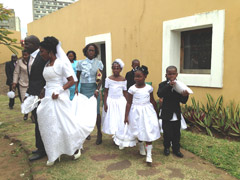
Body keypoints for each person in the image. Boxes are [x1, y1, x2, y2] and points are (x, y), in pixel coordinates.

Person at [37, 36, 97, 166]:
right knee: (50, 125)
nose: (40, 54)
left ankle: (75, 148)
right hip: (48, 97)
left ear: (50, 51)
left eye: (42, 51)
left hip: (59, 97)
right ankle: (53, 153)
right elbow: (48, 81)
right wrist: (44, 89)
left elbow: (72, 80)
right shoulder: (46, 64)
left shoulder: (61, 63)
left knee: (65, 124)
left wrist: (59, 90)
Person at [119, 65, 160, 164]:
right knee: (138, 130)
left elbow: (152, 100)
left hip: (147, 111)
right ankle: (141, 146)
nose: (136, 79)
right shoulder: (132, 89)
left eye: (139, 76)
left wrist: (157, 111)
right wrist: (126, 116)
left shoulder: (149, 88)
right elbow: (128, 103)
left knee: (148, 131)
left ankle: (149, 154)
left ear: (145, 76)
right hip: (136, 112)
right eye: (135, 76)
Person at [24, 35, 48, 161]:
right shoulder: (30, 58)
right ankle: (40, 146)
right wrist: (28, 94)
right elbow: (32, 79)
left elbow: (47, 75)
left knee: (41, 122)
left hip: (42, 95)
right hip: (33, 94)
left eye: (27, 43)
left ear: (35, 44)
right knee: (36, 121)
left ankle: (42, 149)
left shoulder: (42, 56)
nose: (25, 46)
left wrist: (43, 90)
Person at [157, 65, 189, 158]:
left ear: (176, 74)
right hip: (166, 112)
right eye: (169, 74)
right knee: (167, 133)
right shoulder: (162, 85)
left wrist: (185, 95)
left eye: (173, 74)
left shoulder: (180, 85)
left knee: (176, 133)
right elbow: (160, 93)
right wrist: (168, 85)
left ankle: (176, 149)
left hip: (176, 112)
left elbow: (183, 101)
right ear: (166, 75)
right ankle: (166, 148)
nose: (171, 76)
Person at [76, 43, 104, 145]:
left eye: (93, 50)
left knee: (96, 111)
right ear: (86, 51)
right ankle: (86, 132)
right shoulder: (80, 63)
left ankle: (99, 133)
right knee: (84, 112)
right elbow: (77, 77)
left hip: (94, 89)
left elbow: (100, 78)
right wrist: (76, 88)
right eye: (89, 50)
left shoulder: (99, 63)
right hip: (83, 88)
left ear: (95, 52)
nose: (91, 52)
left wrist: (97, 89)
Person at [102, 59, 127, 136]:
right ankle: (114, 134)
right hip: (111, 101)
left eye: (117, 68)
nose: (115, 70)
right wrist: (105, 103)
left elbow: (125, 92)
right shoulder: (108, 79)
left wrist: (128, 103)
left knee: (120, 118)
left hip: (120, 101)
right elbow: (105, 92)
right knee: (112, 119)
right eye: (114, 68)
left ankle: (119, 135)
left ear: (121, 69)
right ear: (112, 69)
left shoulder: (123, 80)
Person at [12, 50, 30, 120]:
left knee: (33, 99)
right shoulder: (19, 62)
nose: (25, 56)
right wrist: (14, 82)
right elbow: (16, 72)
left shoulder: (33, 61)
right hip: (23, 84)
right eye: (23, 55)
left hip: (32, 84)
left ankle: (33, 115)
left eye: (26, 55)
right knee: (24, 100)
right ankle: (26, 113)